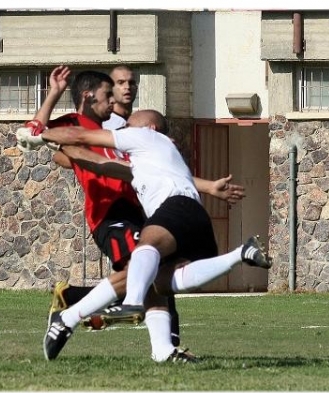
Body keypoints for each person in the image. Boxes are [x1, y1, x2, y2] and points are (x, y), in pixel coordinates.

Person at [19, 66, 244, 363]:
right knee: (142, 271)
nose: (117, 97)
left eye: (129, 84)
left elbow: (152, 172)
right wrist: (54, 95)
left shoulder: (117, 132)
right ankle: (73, 309)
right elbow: (38, 134)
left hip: (138, 209)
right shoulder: (75, 124)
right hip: (110, 213)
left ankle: (163, 348)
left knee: (156, 274)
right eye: (112, 90)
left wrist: (208, 187)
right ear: (89, 95)